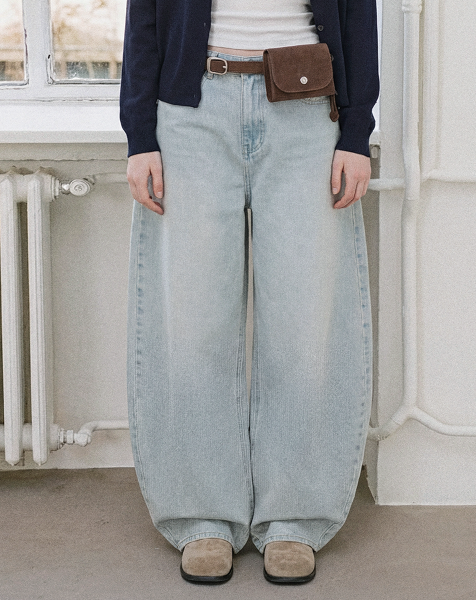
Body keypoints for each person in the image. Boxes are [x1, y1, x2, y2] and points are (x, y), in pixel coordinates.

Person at [120, 0, 379, 586]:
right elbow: (145, 19)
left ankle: (295, 517)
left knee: (305, 324)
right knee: (192, 324)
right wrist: (139, 136)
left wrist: (356, 132)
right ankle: (202, 515)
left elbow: (358, 16)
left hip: (309, 113)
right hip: (191, 115)